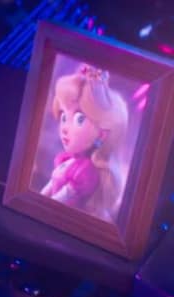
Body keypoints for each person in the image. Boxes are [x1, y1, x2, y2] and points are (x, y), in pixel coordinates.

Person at [39, 63, 129, 222]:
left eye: (79, 119)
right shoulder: (67, 161)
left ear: (101, 134)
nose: (64, 128)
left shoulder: (85, 172)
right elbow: (47, 191)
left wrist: (38, 209)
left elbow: (58, 201)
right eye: (64, 117)